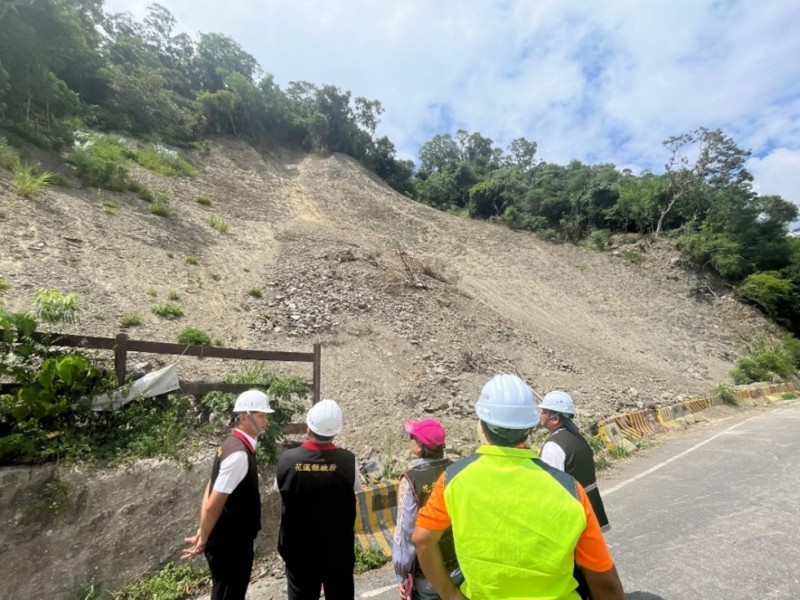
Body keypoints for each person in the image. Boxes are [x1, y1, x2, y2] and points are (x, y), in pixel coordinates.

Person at [412, 374, 625, 600]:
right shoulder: (570, 489)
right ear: (530, 428)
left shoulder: (453, 480)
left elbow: (422, 539)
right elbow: (604, 581)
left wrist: (449, 593)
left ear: (481, 425)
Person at [182, 389, 274, 600]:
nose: (265, 421)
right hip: (230, 545)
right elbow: (213, 503)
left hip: (228, 540)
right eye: (260, 415)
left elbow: (211, 485)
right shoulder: (239, 454)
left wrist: (204, 528)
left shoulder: (231, 445)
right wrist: (203, 535)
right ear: (243, 417)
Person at [275, 399, 362, 600]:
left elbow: (280, 489)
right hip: (337, 550)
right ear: (336, 432)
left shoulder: (288, 460)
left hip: (298, 550)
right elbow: (356, 488)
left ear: (308, 428)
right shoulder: (348, 461)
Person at [393, 418, 462, 600]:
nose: (410, 440)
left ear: (420, 447)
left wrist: (402, 574)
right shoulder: (456, 470)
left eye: (412, 437)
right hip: (459, 566)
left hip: (427, 575)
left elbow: (405, 532)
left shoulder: (411, 480)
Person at [538, 390, 610, 531]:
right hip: (590, 509)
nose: (540, 415)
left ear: (555, 419)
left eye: (544, 411)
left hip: (571, 515)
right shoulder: (578, 439)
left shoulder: (554, 446)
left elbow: (552, 487)